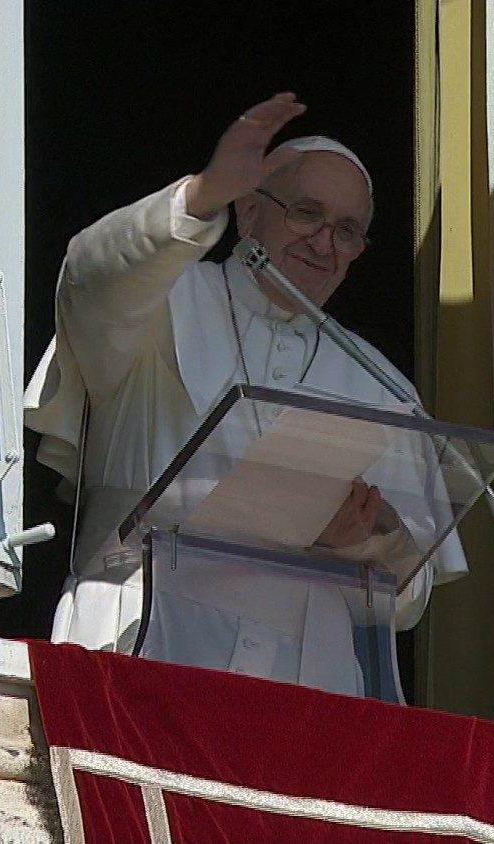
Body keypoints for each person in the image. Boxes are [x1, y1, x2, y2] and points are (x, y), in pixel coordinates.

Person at [23, 93, 466, 697]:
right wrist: (202, 195)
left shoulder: (381, 385)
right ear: (251, 212)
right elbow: (86, 277)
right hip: (142, 637)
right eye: (307, 212)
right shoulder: (162, 306)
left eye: (348, 230)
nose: (324, 243)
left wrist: (366, 536)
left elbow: (408, 600)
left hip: (308, 682)